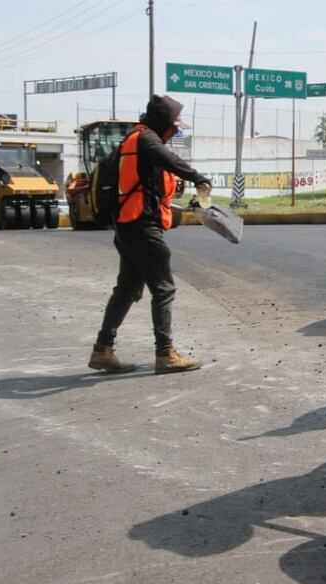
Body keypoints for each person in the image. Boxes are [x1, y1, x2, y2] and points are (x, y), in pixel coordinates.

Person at [88, 95, 213, 375]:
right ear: (163, 123)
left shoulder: (134, 140)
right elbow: (170, 160)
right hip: (141, 227)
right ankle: (165, 353)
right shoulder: (146, 140)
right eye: (174, 128)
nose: (174, 133)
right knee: (163, 288)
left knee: (127, 289)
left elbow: (150, 190)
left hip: (128, 225)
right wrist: (198, 178)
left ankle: (102, 350)